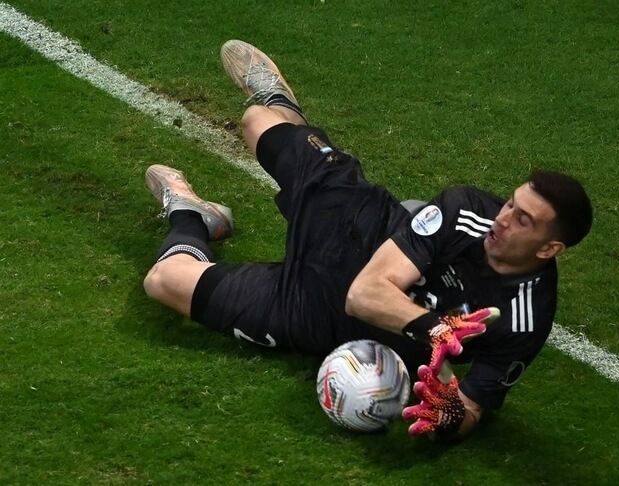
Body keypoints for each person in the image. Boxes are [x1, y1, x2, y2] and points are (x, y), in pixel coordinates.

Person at [143, 40, 593, 441]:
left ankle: (190, 214)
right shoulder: (467, 210)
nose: (504, 218)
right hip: (355, 229)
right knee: (256, 119)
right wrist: (433, 326)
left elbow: (476, 404)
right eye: (511, 204)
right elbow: (366, 291)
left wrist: (452, 417)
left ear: (549, 249)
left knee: (164, 281)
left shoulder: (526, 319)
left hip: (318, 315)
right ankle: (283, 105)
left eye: (524, 220)